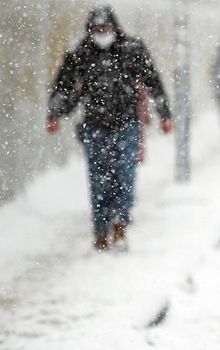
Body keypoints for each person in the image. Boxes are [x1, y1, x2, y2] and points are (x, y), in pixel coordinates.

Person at [47, 6, 172, 252]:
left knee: (125, 176)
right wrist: (55, 113)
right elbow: (63, 86)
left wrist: (164, 113)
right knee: (98, 180)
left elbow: (153, 81)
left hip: (127, 124)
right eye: (97, 30)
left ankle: (121, 225)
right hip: (95, 126)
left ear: (114, 28)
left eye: (105, 29)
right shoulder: (80, 54)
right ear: (90, 30)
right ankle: (101, 229)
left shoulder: (132, 50)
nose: (102, 33)